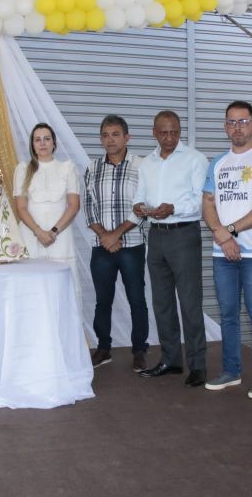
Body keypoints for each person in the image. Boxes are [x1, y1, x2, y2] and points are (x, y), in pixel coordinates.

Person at [202, 101, 252, 399]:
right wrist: (223, 238)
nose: (237, 127)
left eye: (243, 121)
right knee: (228, 314)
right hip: (222, 251)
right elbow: (208, 204)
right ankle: (231, 370)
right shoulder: (218, 163)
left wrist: (231, 231)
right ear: (225, 127)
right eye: (231, 122)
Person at [132, 110, 208, 387]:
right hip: (156, 236)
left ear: (180, 131)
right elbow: (140, 196)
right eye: (163, 132)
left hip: (184, 235)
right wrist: (139, 207)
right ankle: (171, 360)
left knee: (189, 303)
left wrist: (174, 208)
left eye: (174, 132)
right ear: (154, 132)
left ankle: (198, 365)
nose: (169, 138)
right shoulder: (147, 164)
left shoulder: (195, 159)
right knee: (162, 303)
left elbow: (202, 202)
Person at [84, 115, 149, 373]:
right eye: (105, 135)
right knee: (102, 300)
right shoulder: (92, 168)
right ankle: (103, 348)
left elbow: (143, 206)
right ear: (101, 139)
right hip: (101, 247)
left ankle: (140, 350)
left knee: (136, 299)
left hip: (131, 245)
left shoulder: (141, 166)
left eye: (115, 134)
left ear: (126, 137)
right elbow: (89, 208)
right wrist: (105, 236)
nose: (110, 140)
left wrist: (117, 234)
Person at [13, 123, 80, 276]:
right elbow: (21, 208)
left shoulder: (67, 168)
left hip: (60, 237)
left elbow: (74, 206)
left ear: (54, 143)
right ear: (32, 145)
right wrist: (38, 232)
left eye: (46, 139)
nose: (42, 143)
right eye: (37, 140)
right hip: (30, 236)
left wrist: (53, 232)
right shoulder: (23, 169)